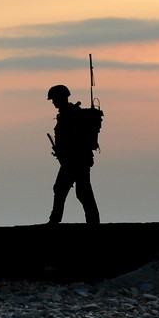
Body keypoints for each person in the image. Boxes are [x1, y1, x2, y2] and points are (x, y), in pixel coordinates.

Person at [46, 84, 100, 225]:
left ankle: (55, 221)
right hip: (75, 160)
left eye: (54, 99)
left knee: (68, 190)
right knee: (80, 191)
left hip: (75, 160)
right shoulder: (67, 114)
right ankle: (93, 222)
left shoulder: (71, 115)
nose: (53, 102)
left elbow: (74, 139)